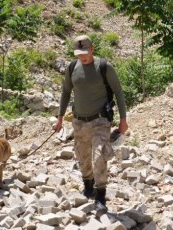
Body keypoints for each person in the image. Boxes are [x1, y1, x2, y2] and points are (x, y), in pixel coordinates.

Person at [53, 35, 128, 214]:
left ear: (92, 49)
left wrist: (123, 120)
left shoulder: (104, 67)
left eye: (85, 53)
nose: (82, 57)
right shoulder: (72, 68)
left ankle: (101, 196)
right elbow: (65, 92)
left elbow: (118, 92)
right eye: (79, 54)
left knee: (100, 156)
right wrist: (60, 118)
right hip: (79, 121)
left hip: (100, 120)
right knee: (83, 156)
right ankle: (88, 187)